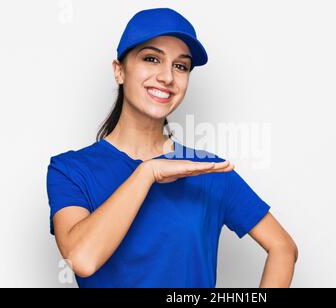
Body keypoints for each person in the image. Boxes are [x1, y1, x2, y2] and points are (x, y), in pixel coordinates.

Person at [46, 7, 298, 288]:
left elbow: (283, 248)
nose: (167, 77)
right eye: (151, 59)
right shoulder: (70, 170)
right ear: (119, 71)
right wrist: (147, 173)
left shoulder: (208, 171)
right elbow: (82, 259)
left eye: (181, 66)